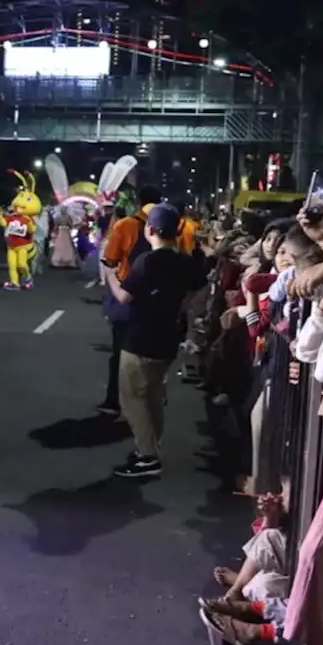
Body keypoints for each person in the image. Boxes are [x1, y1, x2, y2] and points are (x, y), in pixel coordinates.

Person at [102, 203, 206, 478]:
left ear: (149, 230)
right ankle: (150, 449)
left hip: (140, 337)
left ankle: (147, 457)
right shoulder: (185, 260)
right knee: (154, 396)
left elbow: (125, 297)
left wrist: (110, 276)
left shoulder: (147, 261)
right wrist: (180, 306)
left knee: (133, 399)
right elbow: (201, 289)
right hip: (168, 337)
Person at [97, 185, 163, 417]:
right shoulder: (174, 227)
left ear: (138, 201)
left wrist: (111, 280)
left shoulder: (125, 226)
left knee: (122, 353)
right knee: (153, 355)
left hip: (129, 295)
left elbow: (110, 260)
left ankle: (115, 402)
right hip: (161, 300)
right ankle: (151, 401)